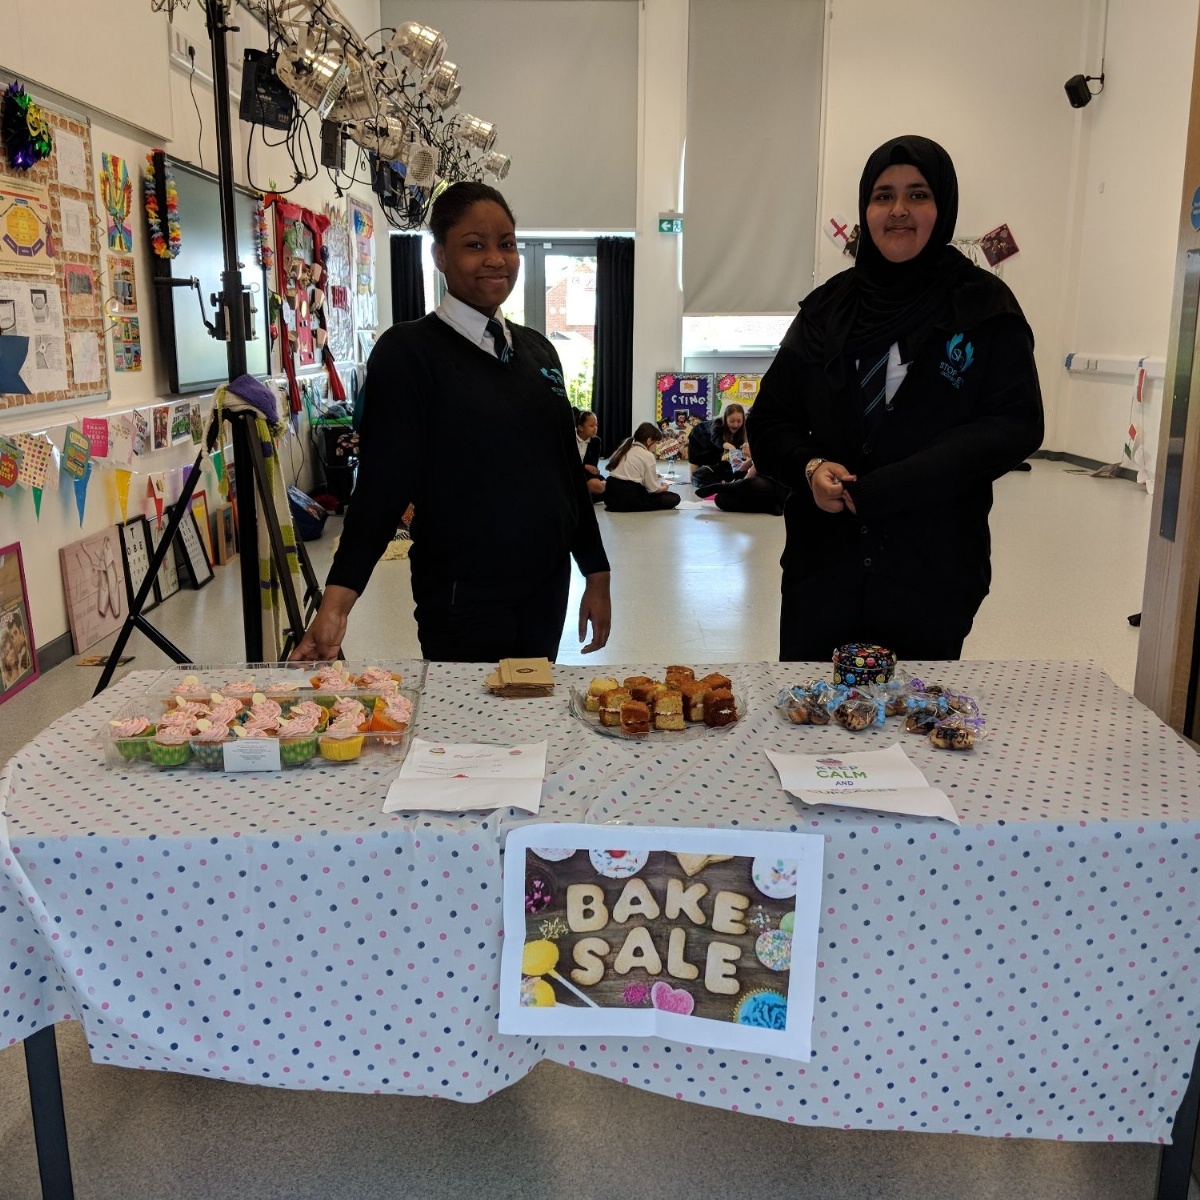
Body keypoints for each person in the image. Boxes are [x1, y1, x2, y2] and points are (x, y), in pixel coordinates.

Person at [749, 134, 1044, 662]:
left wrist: (899, 485)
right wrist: (810, 466)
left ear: (944, 207)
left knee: (916, 725)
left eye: (918, 194)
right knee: (812, 721)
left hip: (932, 565)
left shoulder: (983, 306)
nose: (899, 211)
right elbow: (770, 422)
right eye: (883, 196)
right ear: (866, 208)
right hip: (824, 569)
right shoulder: (826, 310)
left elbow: (1014, 423)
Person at [292, 181, 611, 663]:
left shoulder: (537, 351)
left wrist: (596, 571)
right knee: (465, 734)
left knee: (532, 720)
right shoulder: (409, 353)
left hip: (546, 587)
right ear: (440, 255)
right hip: (464, 594)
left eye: (506, 244)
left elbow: (566, 469)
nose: (496, 259)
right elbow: (382, 487)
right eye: (475, 245)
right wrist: (338, 600)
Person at [603, 423, 682, 512]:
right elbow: (653, 490)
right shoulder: (648, 455)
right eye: (656, 443)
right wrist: (664, 487)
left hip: (610, 498)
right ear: (649, 441)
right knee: (674, 498)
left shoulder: (625, 448)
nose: (656, 446)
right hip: (629, 499)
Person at [695, 442, 788, 515]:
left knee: (755, 483)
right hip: (766, 495)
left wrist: (754, 454)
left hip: (778, 486)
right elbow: (744, 471)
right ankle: (767, 506)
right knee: (721, 499)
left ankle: (724, 487)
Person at [688, 403, 748, 485]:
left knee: (718, 461)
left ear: (743, 420)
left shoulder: (743, 429)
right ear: (725, 419)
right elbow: (715, 438)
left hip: (715, 444)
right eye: (732, 421)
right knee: (696, 461)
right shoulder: (717, 423)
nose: (736, 424)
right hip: (698, 436)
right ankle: (695, 479)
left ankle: (715, 478)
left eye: (739, 421)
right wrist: (730, 446)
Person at [575, 409, 605, 501]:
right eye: (591, 425)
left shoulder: (596, 441)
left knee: (596, 485)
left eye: (596, 425)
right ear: (580, 427)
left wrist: (585, 467)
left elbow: (592, 466)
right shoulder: (569, 438)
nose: (595, 428)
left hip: (586, 474)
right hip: (572, 473)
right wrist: (584, 466)